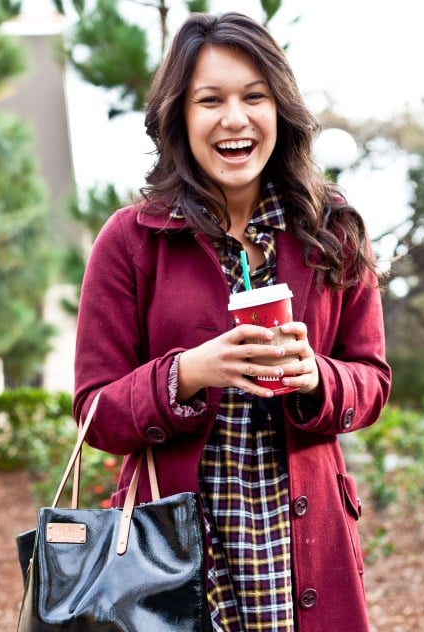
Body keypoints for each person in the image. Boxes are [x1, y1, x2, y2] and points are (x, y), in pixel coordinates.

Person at [73, 11, 391, 632]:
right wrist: (187, 374)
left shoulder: (333, 232)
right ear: (179, 118)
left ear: (281, 110)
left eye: (254, 97)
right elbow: (94, 411)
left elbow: (372, 380)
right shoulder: (132, 240)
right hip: (173, 556)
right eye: (209, 100)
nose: (235, 119)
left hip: (302, 554)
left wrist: (316, 378)